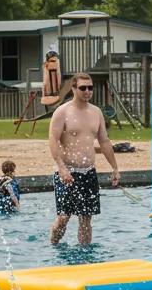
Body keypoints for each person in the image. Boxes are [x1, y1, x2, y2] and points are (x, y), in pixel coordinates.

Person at [48, 72, 120, 245]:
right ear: (73, 88)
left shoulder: (96, 113)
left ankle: (85, 258)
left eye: (90, 88)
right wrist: (61, 168)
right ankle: (53, 247)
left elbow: (104, 141)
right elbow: (53, 139)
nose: (87, 91)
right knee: (64, 218)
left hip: (88, 172)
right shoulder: (62, 111)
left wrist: (115, 168)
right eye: (82, 88)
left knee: (86, 219)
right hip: (67, 173)